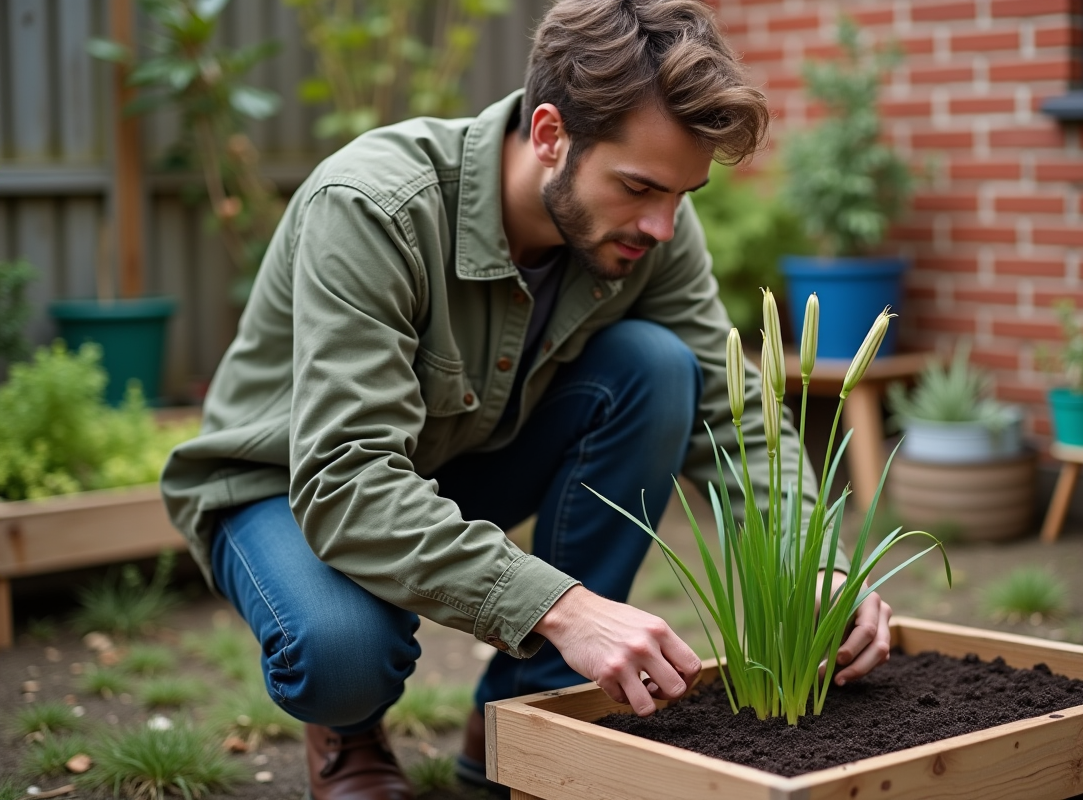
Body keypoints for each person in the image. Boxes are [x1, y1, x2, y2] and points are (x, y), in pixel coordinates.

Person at [161, 1, 893, 797]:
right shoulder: (377, 208)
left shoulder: (654, 233)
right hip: (290, 485)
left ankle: (519, 714)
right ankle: (348, 731)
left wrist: (817, 566)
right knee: (343, 655)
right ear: (549, 135)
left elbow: (735, 415)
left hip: (460, 460)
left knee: (656, 366)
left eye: (683, 194)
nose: (662, 224)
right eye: (640, 186)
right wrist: (566, 608)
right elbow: (347, 482)